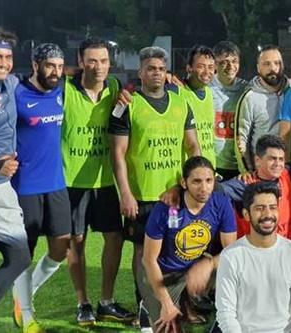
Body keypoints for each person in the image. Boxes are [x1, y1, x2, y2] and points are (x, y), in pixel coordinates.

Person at [109, 46, 200, 329]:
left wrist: (186, 183)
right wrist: (126, 192)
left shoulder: (181, 103)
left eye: (161, 68)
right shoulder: (127, 104)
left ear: (166, 71)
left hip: (173, 195)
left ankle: (172, 304)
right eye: (150, 68)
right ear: (140, 71)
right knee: (141, 253)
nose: (156, 73)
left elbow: (193, 145)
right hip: (143, 196)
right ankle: (145, 307)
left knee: (174, 252)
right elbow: (118, 154)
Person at [62, 37, 135, 326]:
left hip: (105, 182)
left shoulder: (115, 88)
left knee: (114, 239)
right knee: (76, 243)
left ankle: (106, 301)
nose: (98, 66)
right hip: (71, 181)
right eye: (92, 60)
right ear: (80, 61)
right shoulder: (65, 90)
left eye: (103, 60)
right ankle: (83, 303)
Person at [10, 43, 70, 333]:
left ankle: (22, 296)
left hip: (57, 183)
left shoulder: (62, 91)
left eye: (59, 66)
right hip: (25, 186)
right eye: (50, 66)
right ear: (35, 64)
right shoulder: (16, 93)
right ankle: (28, 316)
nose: (55, 72)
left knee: (61, 247)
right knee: (26, 251)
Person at [138, 156, 236, 332]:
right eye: (196, 181)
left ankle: (217, 321)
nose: (204, 188)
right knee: (168, 325)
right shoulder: (165, 208)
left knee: (241, 273)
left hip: (196, 267)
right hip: (166, 275)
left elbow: (232, 252)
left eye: (209, 181)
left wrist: (209, 264)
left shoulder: (221, 203)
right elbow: (148, 260)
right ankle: (149, 307)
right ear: (184, 182)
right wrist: (166, 304)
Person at [215, 182, 291, 332]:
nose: (268, 214)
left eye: (272, 207)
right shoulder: (231, 256)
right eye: (259, 209)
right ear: (247, 215)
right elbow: (226, 313)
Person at [0, 25, 31, 321]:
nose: (3, 62)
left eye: (7, 57)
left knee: (19, 256)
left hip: (3, 188)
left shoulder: (12, 84)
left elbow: (49, 79)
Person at [222, 134, 291, 241]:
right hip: (256, 252)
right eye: (272, 159)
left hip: (287, 248)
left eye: (281, 159)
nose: (278, 164)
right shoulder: (244, 184)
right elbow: (214, 189)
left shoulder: (286, 174)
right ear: (258, 160)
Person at [235, 45, 291, 173]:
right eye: (267, 64)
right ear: (258, 68)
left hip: (288, 168)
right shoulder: (250, 97)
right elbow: (241, 137)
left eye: (277, 63)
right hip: (262, 171)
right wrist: (246, 170)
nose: (273, 68)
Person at [210, 41, 248, 180]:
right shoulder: (206, 88)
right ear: (215, 65)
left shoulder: (247, 88)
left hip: (240, 165)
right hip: (213, 165)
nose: (230, 67)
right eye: (224, 62)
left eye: (234, 61)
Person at [180, 45, 217, 165]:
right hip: (189, 169)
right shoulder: (177, 93)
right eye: (201, 66)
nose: (207, 72)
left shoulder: (210, 93)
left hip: (209, 168)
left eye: (210, 67)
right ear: (189, 68)